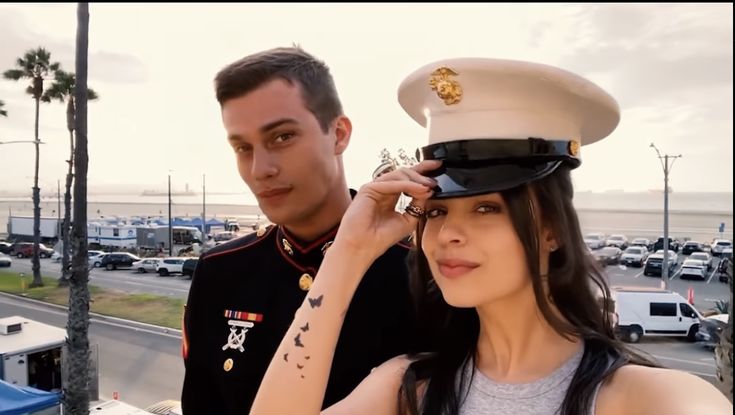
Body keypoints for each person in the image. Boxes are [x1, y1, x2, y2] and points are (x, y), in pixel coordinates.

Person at [249, 58, 733, 414]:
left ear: (549, 229)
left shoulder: (646, 399)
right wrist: (349, 251)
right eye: (435, 211)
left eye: (485, 207)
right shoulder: (409, 389)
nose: (448, 234)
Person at [180, 47, 419, 414]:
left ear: (338, 134)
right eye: (243, 147)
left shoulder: (422, 275)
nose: (260, 169)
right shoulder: (221, 272)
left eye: (282, 137)